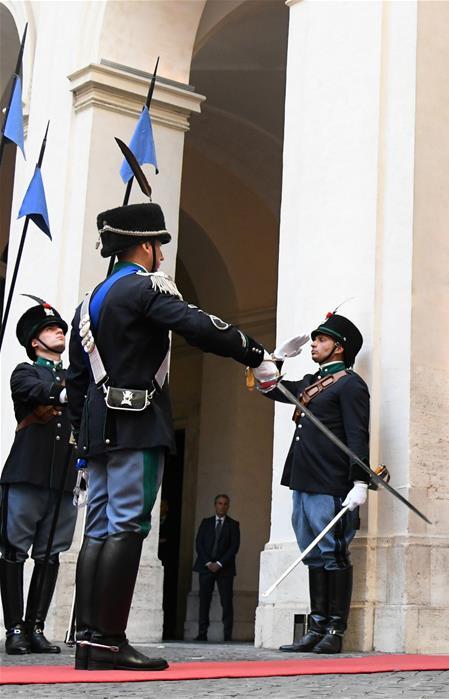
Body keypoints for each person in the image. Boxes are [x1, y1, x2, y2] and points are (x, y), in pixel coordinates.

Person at [67, 202, 268, 671]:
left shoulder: (88, 303)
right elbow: (196, 324)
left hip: (98, 430)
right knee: (128, 526)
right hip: (136, 423)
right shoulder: (142, 289)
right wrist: (254, 352)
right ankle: (110, 641)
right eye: (158, 245)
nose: (161, 254)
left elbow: (76, 379)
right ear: (145, 245)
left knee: (98, 529)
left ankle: (89, 640)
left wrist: (83, 439)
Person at [255, 312, 370, 655]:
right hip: (303, 479)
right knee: (313, 555)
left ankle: (335, 629)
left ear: (338, 346)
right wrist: (277, 356)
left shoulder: (350, 384)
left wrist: (359, 481)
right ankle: (316, 626)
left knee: (333, 553)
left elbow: (357, 435)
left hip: (331, 481)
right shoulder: (309, 382)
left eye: (321, 340)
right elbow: (267, 386)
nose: (314, 345)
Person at [1, 299, 77, 654]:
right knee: (15, 550)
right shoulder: (25, 371)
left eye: (60, 327)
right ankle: (14, 628)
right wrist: (66, 393)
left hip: (62, 478)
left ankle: (36, 627)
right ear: (35, 341)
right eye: (51, 328)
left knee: (50, 554)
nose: (59, 331)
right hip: (28, 473)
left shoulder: (73, 375)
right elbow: (29, 393)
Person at [193, 493, 240, 642]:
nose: (222, 506)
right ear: (215, 505)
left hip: (224, 569)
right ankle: (202, 633)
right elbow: (199, 544)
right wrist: (208, 563)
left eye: (225, 504)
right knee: (204, 601)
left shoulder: (233, 525)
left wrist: (219, 564)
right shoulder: (205, 522)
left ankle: (227, 635)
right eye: (220, 503)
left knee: (226, 602)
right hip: (205, 568)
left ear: (228, 506)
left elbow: (234, 547)